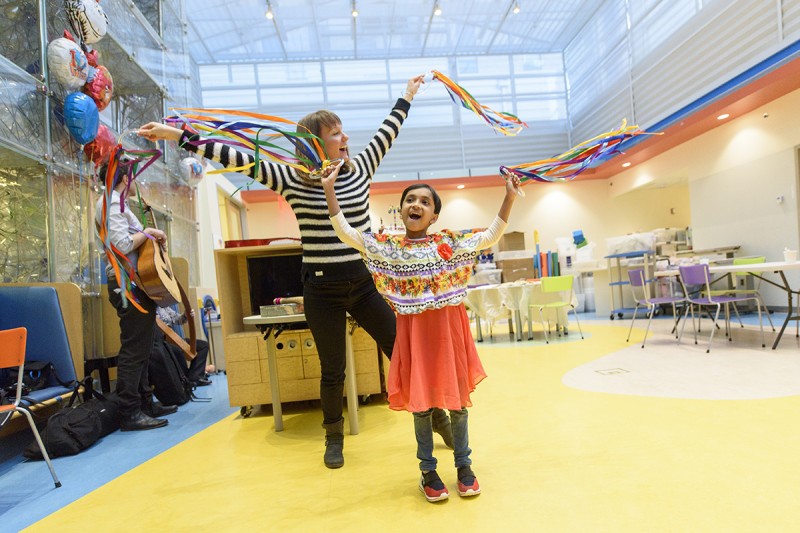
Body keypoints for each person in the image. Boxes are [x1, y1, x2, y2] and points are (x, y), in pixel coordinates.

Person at [138, 74, 453, 468]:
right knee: (332, 369)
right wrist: (175, 134)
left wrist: (407, 95)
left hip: (363, 283)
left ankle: (438, 418)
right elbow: (236, 157)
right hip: (320, 288)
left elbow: (388, 129)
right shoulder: (291, 180)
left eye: (343, 132)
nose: (346, 139)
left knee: (401, 354)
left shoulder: (360, 169)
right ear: (315, 143)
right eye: (337, 134)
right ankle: (333, 437)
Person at [322, 161, 520, 502]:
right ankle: (428, 471)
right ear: (401, 210)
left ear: (434, 216)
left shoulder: (449, 245)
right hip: (414, 337)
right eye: (410, 199)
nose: (416, 204)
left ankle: (463, 467)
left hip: (450, 334)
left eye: (425, 202)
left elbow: (490, 236)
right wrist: (329, 190)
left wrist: (509, 197)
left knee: (458, 405)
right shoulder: (391, 248)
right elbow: (348, 235)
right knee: (422, 406)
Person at [95, 160, 178, 431]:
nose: (136, 182)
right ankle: (130, 412)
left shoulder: (119, 204)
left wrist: (148, 236)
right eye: (133, 176)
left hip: (136, 284)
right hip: (126, 286)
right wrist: (148, 233)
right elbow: (121, 244)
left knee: (142, 349)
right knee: (134, 352)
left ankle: (145, 402)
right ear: (123, 178)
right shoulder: (109, 204)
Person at [156, 306, 212, 387]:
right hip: (160, 341)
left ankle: (195, 377)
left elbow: (178, 319)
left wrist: (186, 315)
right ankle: (183, 380)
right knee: (178, 351)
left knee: (203, 346)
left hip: (173, 339)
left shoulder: (163, 306)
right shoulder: (149, 309)